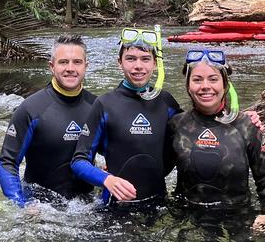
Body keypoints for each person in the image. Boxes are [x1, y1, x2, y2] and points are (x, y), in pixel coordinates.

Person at [71, 28, 182, 204]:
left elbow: (194, 130)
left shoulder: (166, 102)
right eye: (131, 59)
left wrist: (236, 116)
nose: (138, 66)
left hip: (158, 203)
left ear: (155, 63)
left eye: (145, 59)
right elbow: (79, 161)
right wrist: (107, 179)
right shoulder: (105, 104)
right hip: (115, 208)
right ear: (119, 62)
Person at [168, 49, 265, 221]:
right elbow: (157, 170)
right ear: (188, 86)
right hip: (188, 218)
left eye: (213, 79)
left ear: (225, 85)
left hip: (238, 216)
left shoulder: (246, 125)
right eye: (197, 80)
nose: (205, 86)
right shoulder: (177, 124)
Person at [0, 34, 95, 207]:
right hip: (42, 206)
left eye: (77, 62)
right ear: (52, 66)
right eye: (63, 62)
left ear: (86, 66)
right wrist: (22, 205)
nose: (70, 68)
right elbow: (8, 163)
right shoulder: (30, 109)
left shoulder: (97, 107)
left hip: (86, 205)